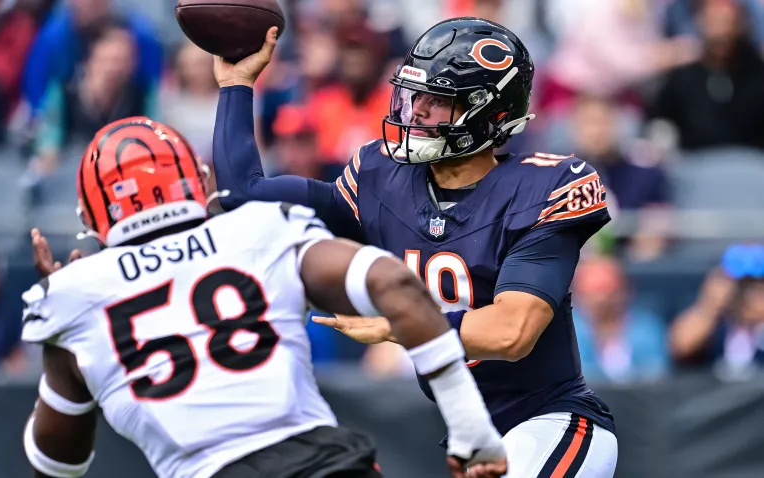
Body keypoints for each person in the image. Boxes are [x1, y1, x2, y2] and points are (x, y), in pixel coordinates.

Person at [213, 18, 618, 477]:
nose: (417, 112)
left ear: (491, 113)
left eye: (437, 101)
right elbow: (242, 197)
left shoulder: (544, 184)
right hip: (469, 435)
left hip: (552, 421)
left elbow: (512, 333)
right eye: (413, 95)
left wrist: (395, 325)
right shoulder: (378, 175)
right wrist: (236, 85)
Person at [19, 117, 507, 478]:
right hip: (326, 466)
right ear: (200, 181)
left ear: (91, 218)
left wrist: (72, 320)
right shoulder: (261, 230)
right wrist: (471, 428)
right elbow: (397, 285)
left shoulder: (72, 297)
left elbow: (54, 465)